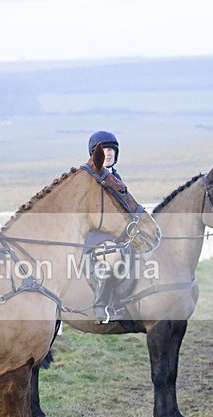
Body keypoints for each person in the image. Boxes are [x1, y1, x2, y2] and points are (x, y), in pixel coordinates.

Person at [85, 130, 131, 323]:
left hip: (116, 232)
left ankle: (122, 301)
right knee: (112, 257)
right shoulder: (89, 178)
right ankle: (100, 306)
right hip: (95, 235)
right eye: (104, 150)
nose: (109, 153)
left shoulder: (115, 176)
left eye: (112, 149)